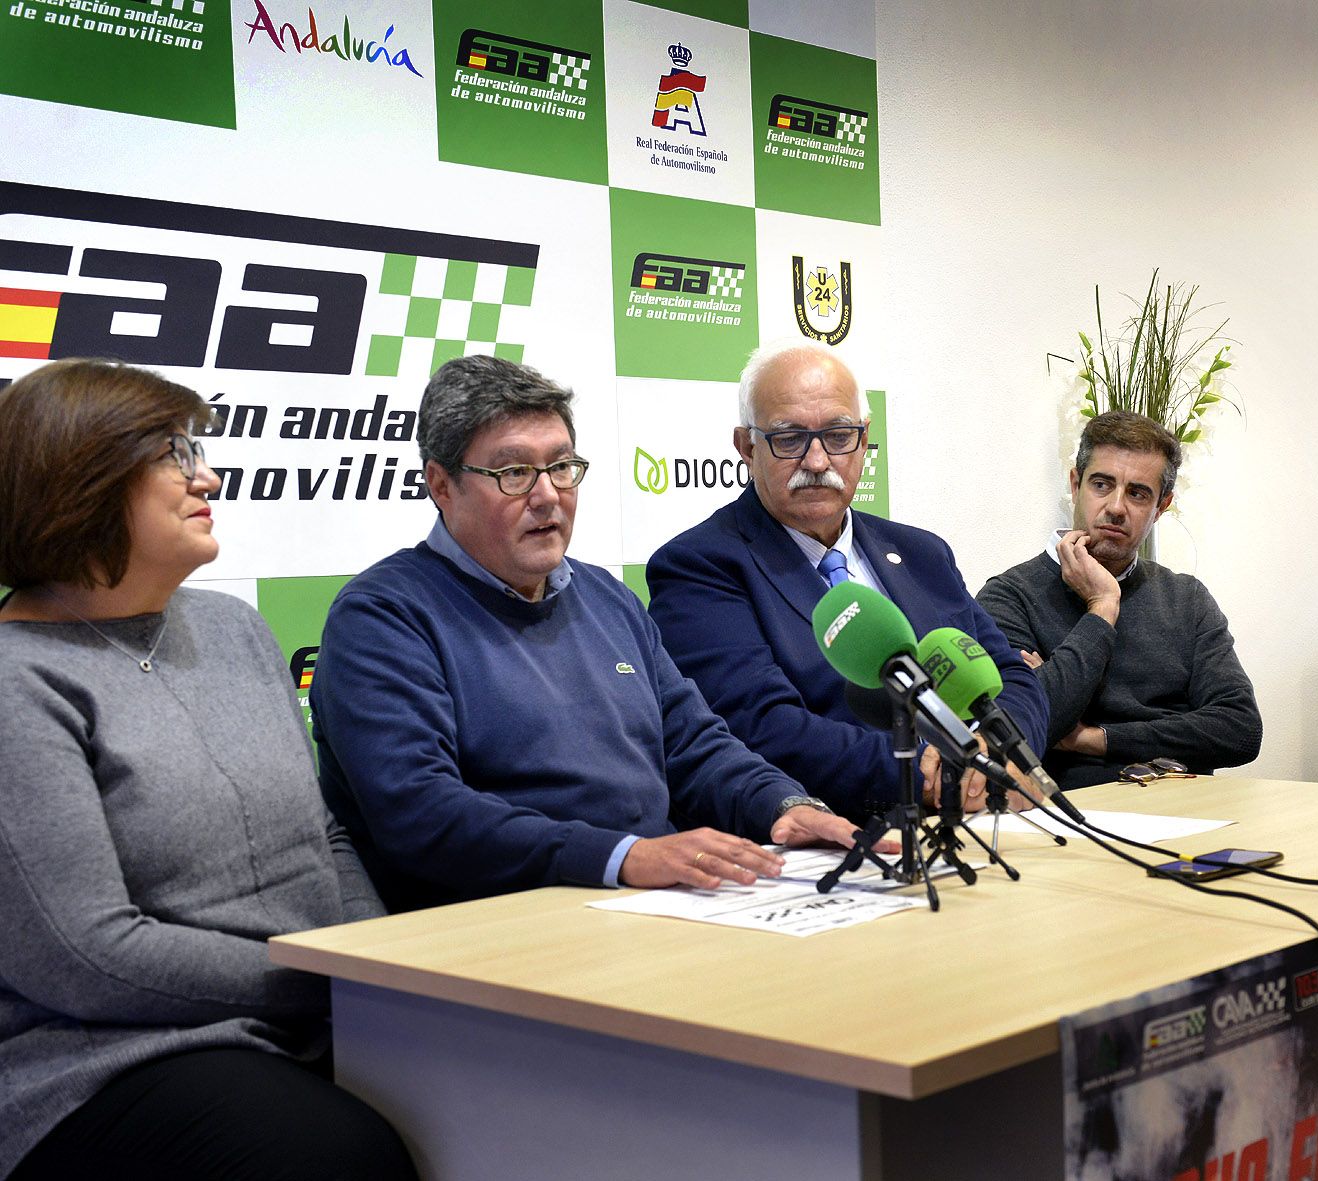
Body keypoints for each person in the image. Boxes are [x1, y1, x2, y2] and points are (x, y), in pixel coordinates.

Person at [0, 360, 415, 1181]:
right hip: (109, 1056)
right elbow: (87, 957)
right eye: (174, 454)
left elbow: (324, 834)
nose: (208, 477)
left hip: (307, 1010)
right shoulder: (18, 679)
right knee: (334, 1157)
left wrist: (377, 963)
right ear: (80, 478)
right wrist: (331, 982)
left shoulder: (234, 627)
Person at [311, 355, 870, 913]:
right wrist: (622, 857)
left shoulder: (605, 597)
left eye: (561, 467)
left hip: (647, 904)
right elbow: (421, 812)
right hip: (495, 922)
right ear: (442, 485)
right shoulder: (383, 617)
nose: (547, 495)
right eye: (514, 473)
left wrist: (784, 806)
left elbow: (695, 747)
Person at [646, 340, 1048, 819]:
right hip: (837, 830)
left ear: (864, 438)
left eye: (838, 436)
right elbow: (759, 728)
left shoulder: (924, 553)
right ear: (747, 447)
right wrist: (930, 773)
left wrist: (998, 750)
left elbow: (1010, 675)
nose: (817, 462)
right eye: (789, 439)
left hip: (985, 817)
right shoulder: (699, 565)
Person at [977, 411, 1262, 791]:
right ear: (1075, 484)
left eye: (1137, 493)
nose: (1115, 507)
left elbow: (1239, 730)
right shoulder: (1009, 596)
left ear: (1161, 507)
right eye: (1101, 484)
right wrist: (1103, 606)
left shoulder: (1186, 599)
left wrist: (1092, 738)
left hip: (1188, 806)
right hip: (1076, 810)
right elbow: (1022, 726)